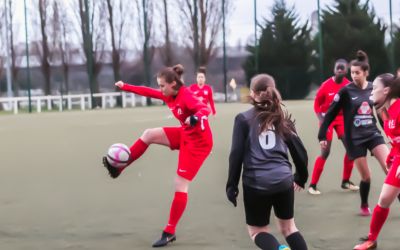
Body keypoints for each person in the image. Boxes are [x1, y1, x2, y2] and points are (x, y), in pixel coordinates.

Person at [102, 64, 213, 248]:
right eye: (159, 86)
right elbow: (146, 91)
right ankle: (120, 167)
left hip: (198, 145)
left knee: (180, 184)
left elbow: (204, 109)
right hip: (186, 135)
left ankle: (169, 232)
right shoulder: (168, 94)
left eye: (162, 85)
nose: (160, 89)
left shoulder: (186, 96)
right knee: (149, 134)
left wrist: (195, 118)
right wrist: (126, 86)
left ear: (172, 84)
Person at [226, 74, 309, 250]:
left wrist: (231, 185)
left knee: (257, 231)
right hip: (284, 180)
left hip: (257, 184)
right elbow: (300, 152)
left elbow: (236, 155)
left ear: (252, 93)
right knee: (289, 228)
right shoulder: (282, 118)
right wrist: (300, 177)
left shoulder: (243, 119)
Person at [318, 50, 389, 216]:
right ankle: (364, 204)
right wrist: (322, 135)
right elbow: (330, 113)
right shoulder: (345, 91)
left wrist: (390, 132)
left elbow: (380, 112)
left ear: (366, 73)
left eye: (357, 73)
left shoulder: (373, 88)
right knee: (367, 177)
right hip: (354, 139)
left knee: (390, 168)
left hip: (373, 134)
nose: (354, 76)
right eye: (352, 73)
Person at [353, 74, 400, 250]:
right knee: (385, 199)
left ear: (386, 90)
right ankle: (371, 241)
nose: (371, 92)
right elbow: (396, 139)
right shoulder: (386, 111)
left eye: (374, 89)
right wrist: (391, 156)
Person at [309, 59, 358, 195]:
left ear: (346, 71)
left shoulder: (349, 86)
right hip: (327, 119)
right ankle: (312, 185)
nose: (340, 69)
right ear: (334, 70)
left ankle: (345, 182)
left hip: (341, 119)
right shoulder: (325, 85)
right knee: (325, 151)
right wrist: (322, 121)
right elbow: (317, 105)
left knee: (350, 149)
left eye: (343, 68)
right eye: (338, 67)